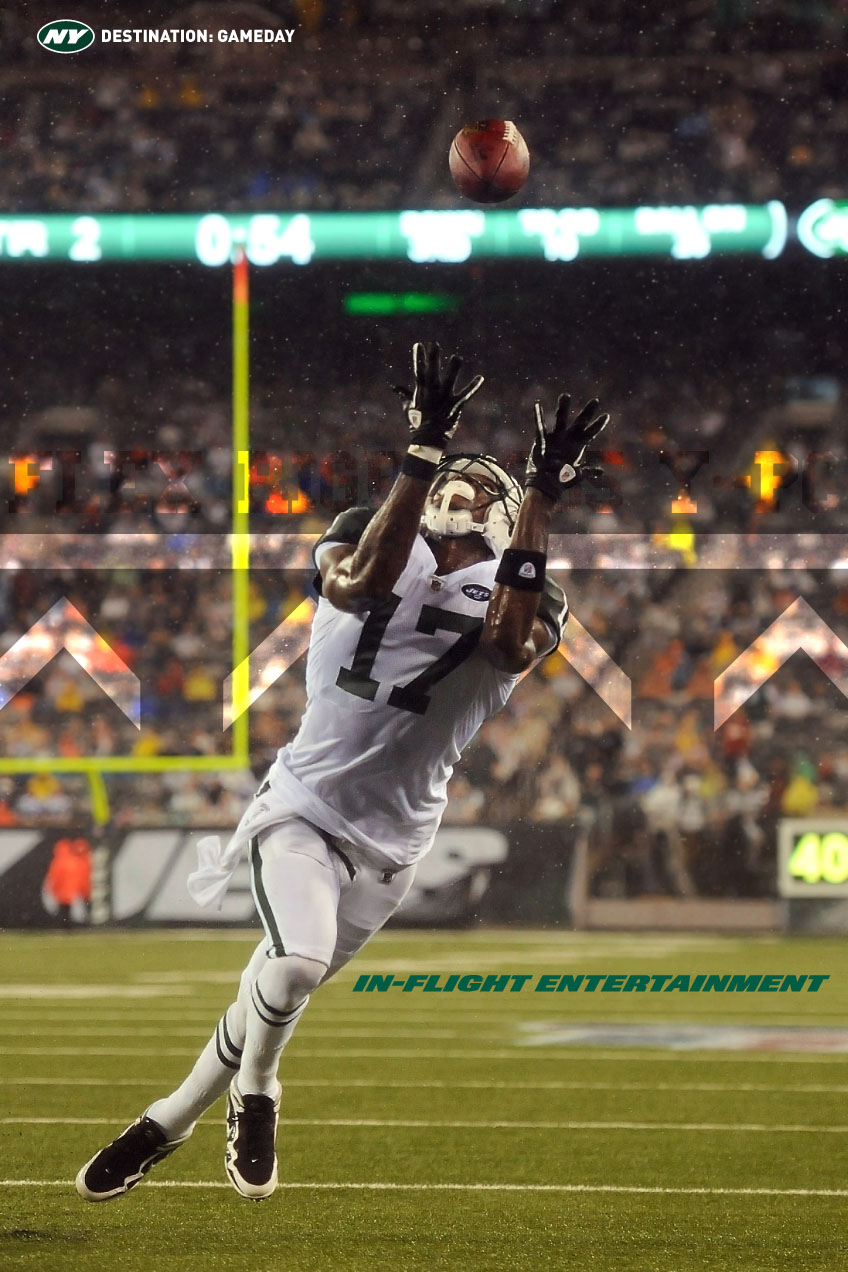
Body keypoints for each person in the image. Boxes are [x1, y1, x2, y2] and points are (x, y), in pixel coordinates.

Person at [75, 341, 609, 1203]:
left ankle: (165, 1122)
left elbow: (509, 645)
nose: (460, 490)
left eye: (483, 485)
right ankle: (258, 1092)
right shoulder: (370, 527)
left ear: (510, 517)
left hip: (396, 841)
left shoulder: (532, 591)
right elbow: (358, 585)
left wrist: (543, 494)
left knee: (276, 981)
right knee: (292, 969)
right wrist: (421, 452)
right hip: (305, 804)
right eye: (451, 479)